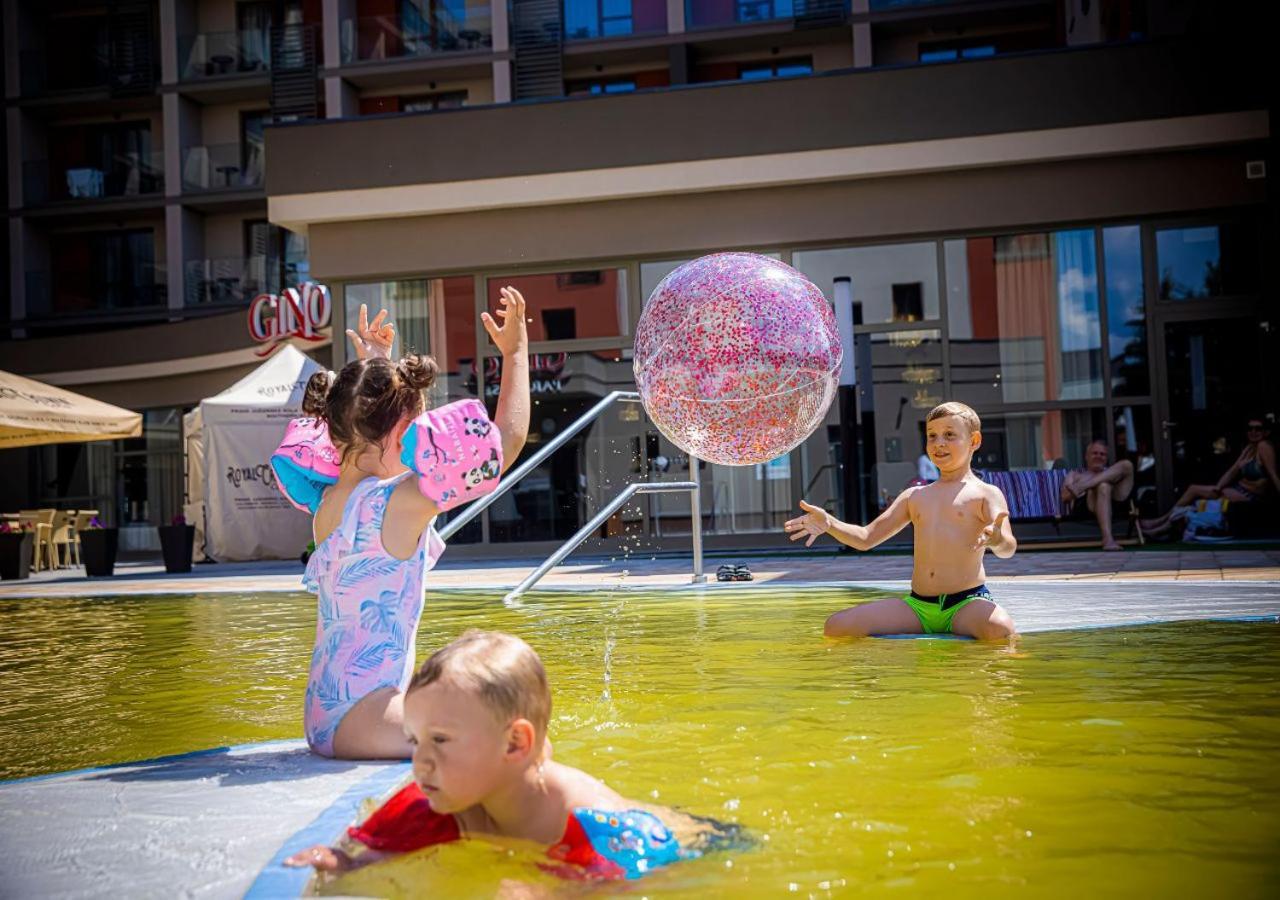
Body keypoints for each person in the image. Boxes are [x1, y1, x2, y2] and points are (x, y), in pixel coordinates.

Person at [273, 292, 530, 759]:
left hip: (324, 713)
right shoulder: (396, 504)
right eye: (413, 432)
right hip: (369, 717)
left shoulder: (327, 503)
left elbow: (365, 420)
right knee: (503, 733)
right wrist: (515, 355)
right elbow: (503, 445)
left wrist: (374, 367)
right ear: (397, 433)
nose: (421, 446)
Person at [285, 631, 734, 881]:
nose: (419, 762)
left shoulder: (591, 824)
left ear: (515, 744)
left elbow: (631, 878)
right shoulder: (437, 801)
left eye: (439, 740)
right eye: (414, 739)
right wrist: (341, 862)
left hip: (695, 844)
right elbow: (363, 854)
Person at [784, 401, 1017, 640]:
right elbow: (866, 539)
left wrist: (997, 539)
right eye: (932, 436)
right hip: (918, 606)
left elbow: (1008, 547)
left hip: (966, 603)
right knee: (836, 626)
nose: (939, 443)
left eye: (949, 435)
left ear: (974, 441)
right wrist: (830, 523)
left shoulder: (986, 493)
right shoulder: (914, 496)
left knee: (1001, 630)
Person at [1140, 418, 1279, 538]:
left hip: (1251, 495)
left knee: (1199, 501)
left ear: (1266, 432)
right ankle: (1162, 523)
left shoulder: (1264, 446)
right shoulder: (1249, 448)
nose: (1253, 432)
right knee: (1195, 492)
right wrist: (1218, 487)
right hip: (1238, 490)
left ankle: (1160, 526)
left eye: (1258, 429)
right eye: (1250, 428)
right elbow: (1232, 471)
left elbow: (1273, 474)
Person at [1059, 439, 1134, 551]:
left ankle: (1083, 487)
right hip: (1085, 509)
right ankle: (1108, 539)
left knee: (1126, 465)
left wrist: (1083, 486)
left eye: (1102, 454)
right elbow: (1064, 497)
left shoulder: (1113, 473)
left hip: (1113, 506)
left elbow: (1126, 468)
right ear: (1086, 456)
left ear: (1106, 458)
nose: (1099, 456)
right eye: (1095, 453)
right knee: (1103, 486)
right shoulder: (1075, 475)